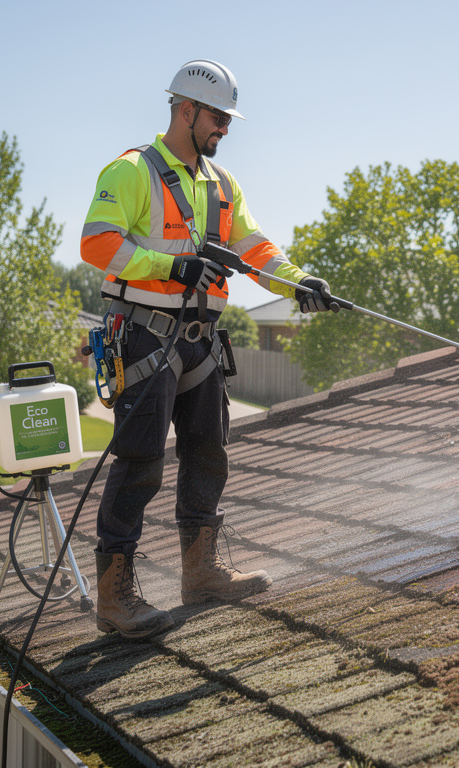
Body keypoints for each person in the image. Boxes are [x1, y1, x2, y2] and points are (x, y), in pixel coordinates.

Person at [80, 59, 332, 638]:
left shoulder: (222, 185)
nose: (225, 128)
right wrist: (171, 266)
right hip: (143, 333)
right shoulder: (130, 172)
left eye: (228, 118)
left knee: (209, 451)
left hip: (201, 339)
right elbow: (98, 244)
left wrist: (297, 285)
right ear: (185, 109)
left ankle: (202, 572)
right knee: (140, 461)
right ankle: (114, 598)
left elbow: (252, 247)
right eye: (218, 117)